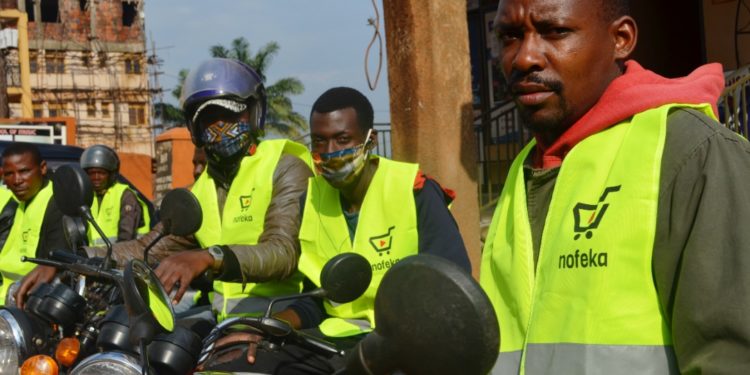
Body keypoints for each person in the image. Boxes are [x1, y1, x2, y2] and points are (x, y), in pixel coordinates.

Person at [480, 0, 750, 373]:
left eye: (555, 31)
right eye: (509, 36)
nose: (524, 57)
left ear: (621, 39)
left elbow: (730, 358)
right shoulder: (522, 171)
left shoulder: (688, 151)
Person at [16, 58, 314, 322]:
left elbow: (283, 251)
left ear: (253, 114)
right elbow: (146, 248)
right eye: (209, 120)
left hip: (283, 319)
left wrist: (209, 257)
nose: (220, 128)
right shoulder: (201, 190)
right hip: (227, 319)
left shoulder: (284, 166)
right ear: (195, 129)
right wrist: (70, 261)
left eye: (230, 116)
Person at [209, 87, 471, 373]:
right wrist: (266, 328)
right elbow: (316, 300)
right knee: (243, 365)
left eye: (342, 139)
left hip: (405, 345)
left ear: (370, 140)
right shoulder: (310, 200)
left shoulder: (413, 190)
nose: (330, 153)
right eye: (319, 142)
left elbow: (451, 287)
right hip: (334, 341)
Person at [0, 142, 67, 303]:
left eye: (24, 171)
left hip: (31, 302)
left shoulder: (58, 203)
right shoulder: (18, 202)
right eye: (9, 174)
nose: (17, 180)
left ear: (42, 168)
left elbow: (56, 263)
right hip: (8, 301)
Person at [80, 144, 150, 246]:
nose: (96, 177)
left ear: (112, 174)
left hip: (122, 258)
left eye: (101, 173)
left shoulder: (126, 196)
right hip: (92, 258)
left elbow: (126, 235)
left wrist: (113, 257)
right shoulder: (88, 195)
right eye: (91, 173)